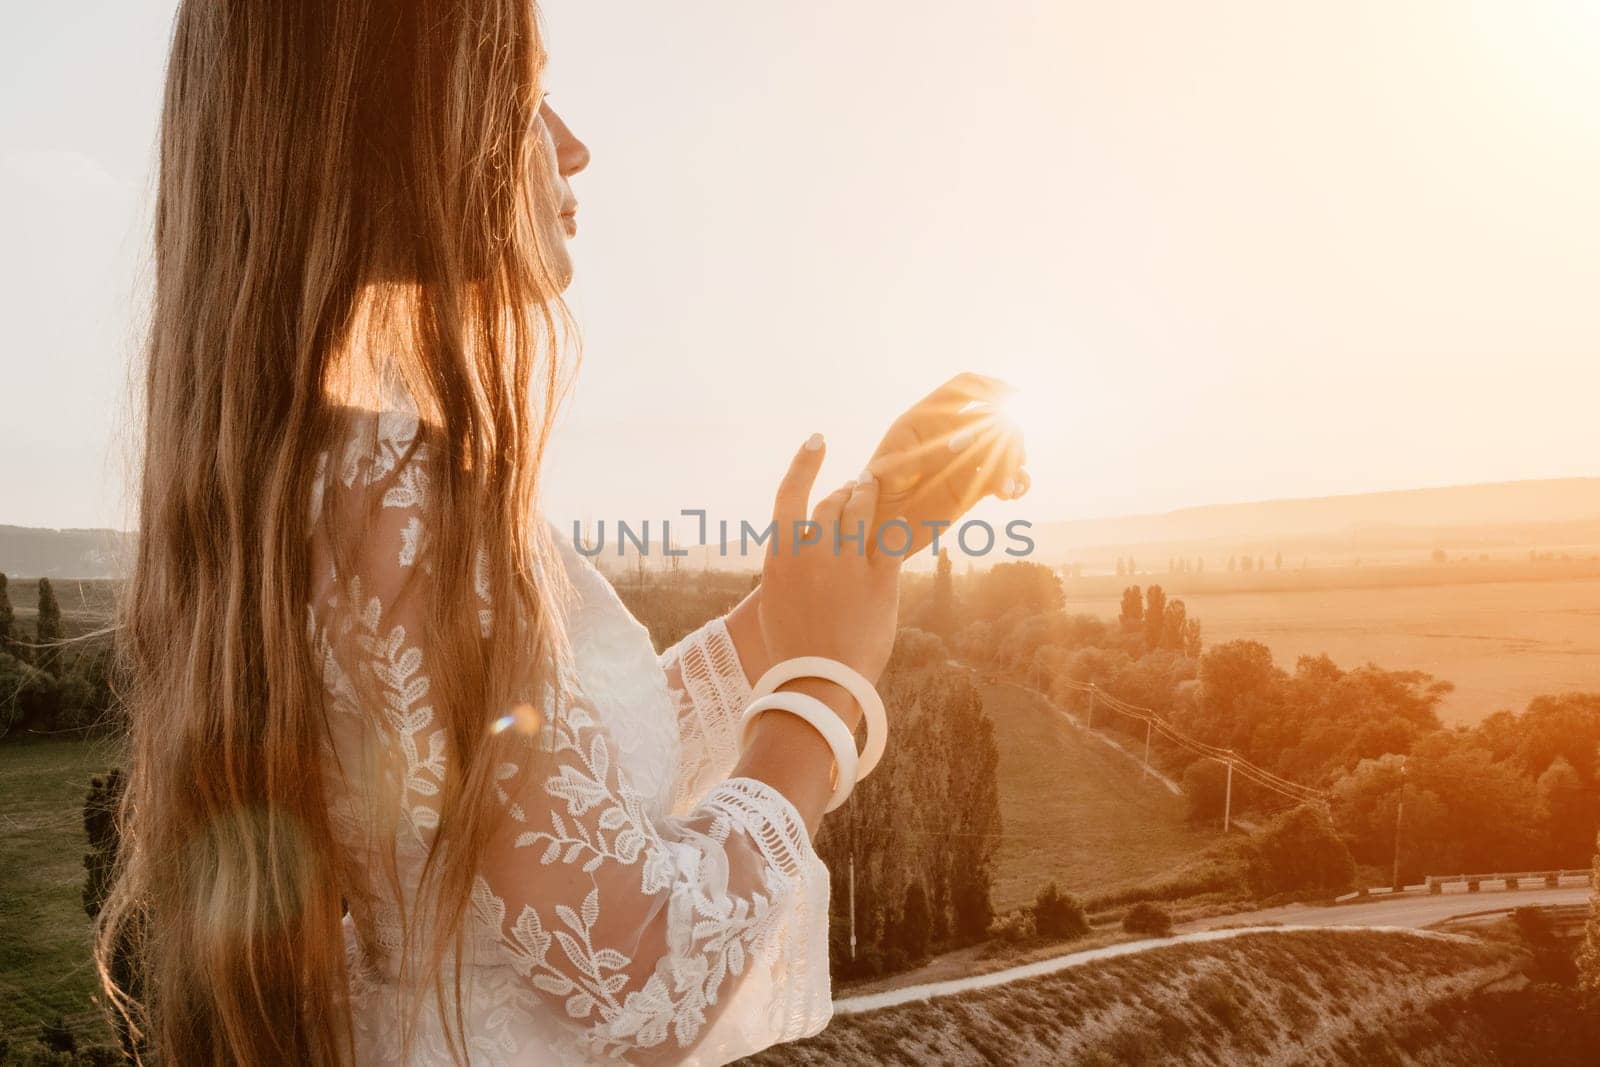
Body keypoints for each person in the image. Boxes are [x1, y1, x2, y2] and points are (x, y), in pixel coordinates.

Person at [96, 3, 1026, 1064]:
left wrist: (814, 586)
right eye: (522, 96)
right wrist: (820, 691)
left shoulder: (305, 480)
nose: (572, 144)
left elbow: (561, 806)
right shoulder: (396, 493)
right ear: (393, 128)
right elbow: (645, 968)